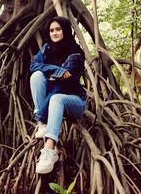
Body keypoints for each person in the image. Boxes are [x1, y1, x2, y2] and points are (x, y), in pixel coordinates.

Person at [30, 16, 87, 174]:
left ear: (65, 30)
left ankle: (50, 150)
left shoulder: (75, 52)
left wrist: (42, 114)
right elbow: (34, 65)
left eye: (58, 29)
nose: (54, 33)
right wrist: (57, 71)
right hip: (55, 96)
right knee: (36, 76)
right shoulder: (47, 48)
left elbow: (65, 83)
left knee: (56, 96)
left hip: (75, 100)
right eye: (52, 30)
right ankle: (43, 125)